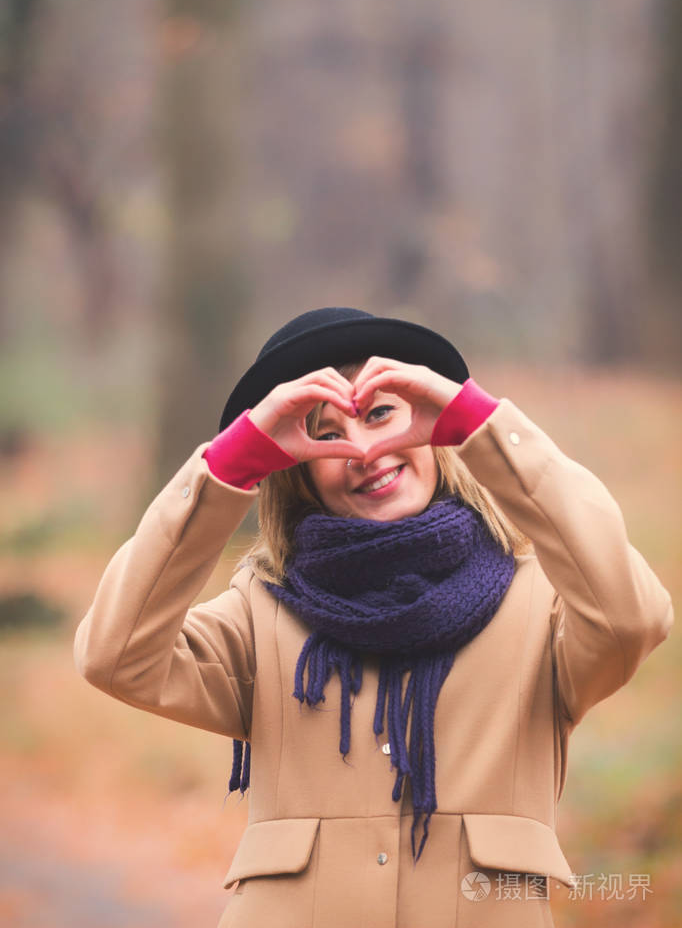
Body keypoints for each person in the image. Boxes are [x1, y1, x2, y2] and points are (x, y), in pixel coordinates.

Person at [75, 306, 673, 928]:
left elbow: (633, 619)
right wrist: (232, 466)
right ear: (295, 469)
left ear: (437, 433)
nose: (363, 450)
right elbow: (115, 656)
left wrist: (484, 428)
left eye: (381, 414)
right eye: (326, 434)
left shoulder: (541, 606)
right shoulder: (260, 612)